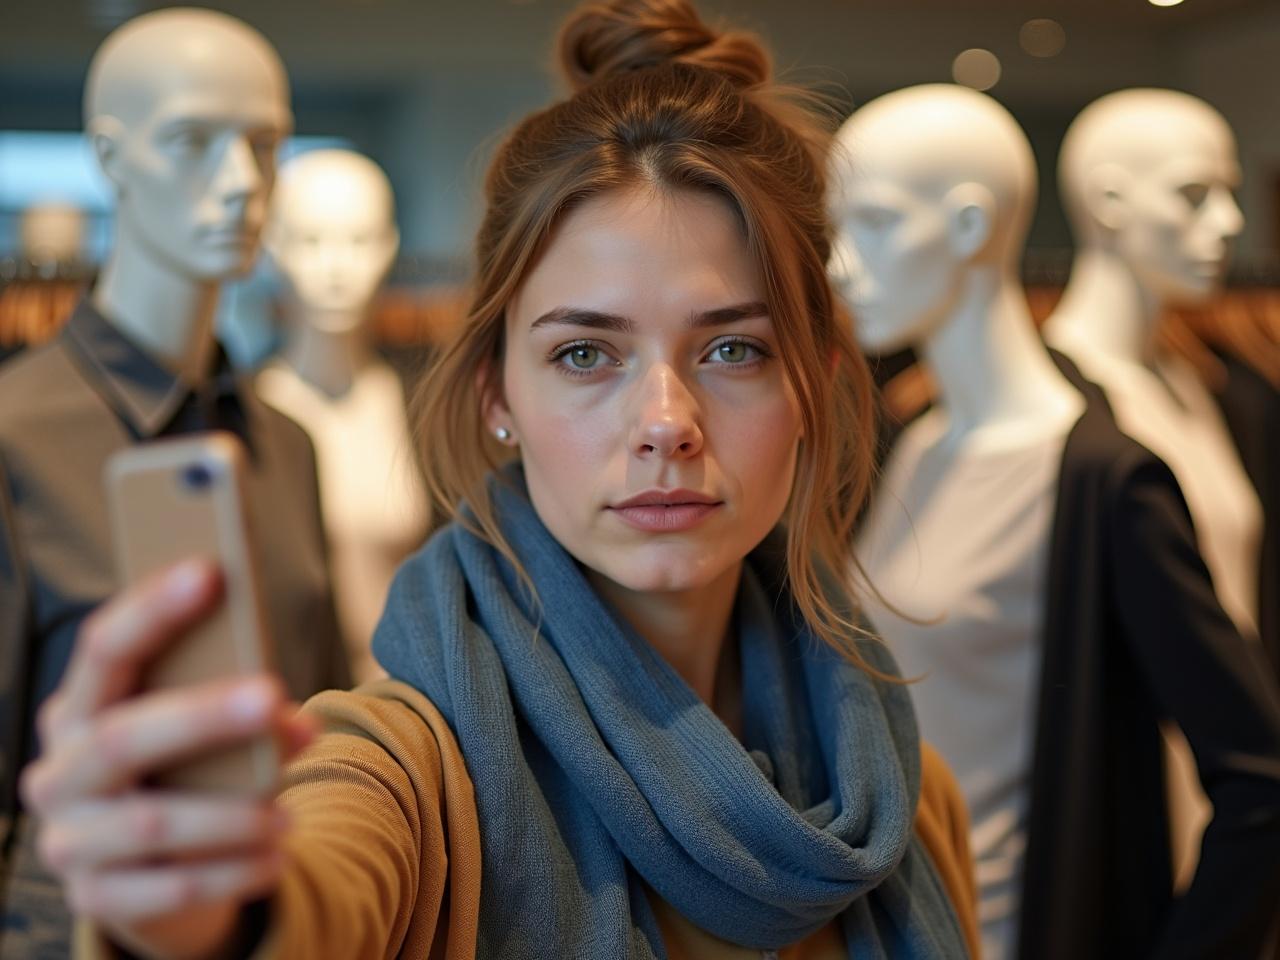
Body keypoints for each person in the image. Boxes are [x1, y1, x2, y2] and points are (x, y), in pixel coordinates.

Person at [20, 2, 980, 957]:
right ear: (497, 394)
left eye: (732, 348)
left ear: (820, 384)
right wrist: (214, 919)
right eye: (585, 356)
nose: (665, 424)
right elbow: (317, 884)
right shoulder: (410, 771)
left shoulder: (904, 800)